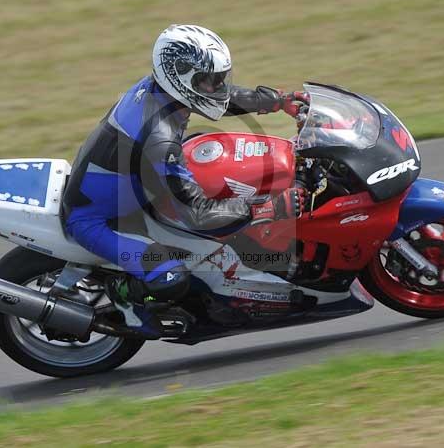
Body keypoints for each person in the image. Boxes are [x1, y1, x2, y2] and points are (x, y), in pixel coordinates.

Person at [63, 24, 306, 337]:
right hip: (99, 221)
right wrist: (266, 209)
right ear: (180, 76)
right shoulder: (160, 137)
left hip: (133, 191)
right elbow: (198, 216)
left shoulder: (161, 90)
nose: (217, 86)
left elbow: (218, 98)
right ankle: (126, 300)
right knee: (172, 279)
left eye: (218, 78)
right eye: (209, 79)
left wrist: (275, 101)